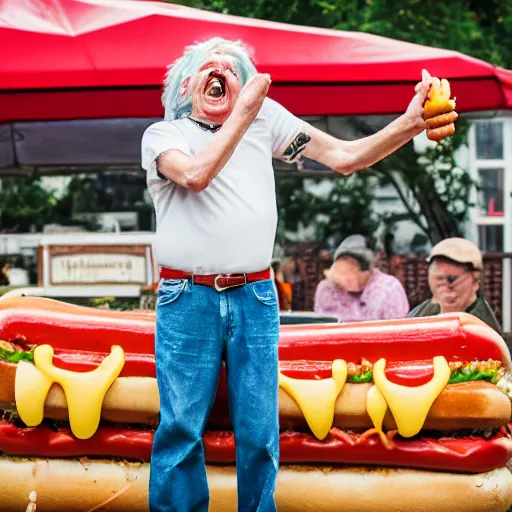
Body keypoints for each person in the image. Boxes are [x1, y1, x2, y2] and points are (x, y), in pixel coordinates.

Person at [141, 36, 437, 512]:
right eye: (206, 67)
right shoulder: (164, 134)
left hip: (255, 294)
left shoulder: (264, 120)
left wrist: (409, 123)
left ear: (245, 86)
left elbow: (345, 158)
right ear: (184, 85)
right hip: (186, 295)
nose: (219, 72)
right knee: (180, 430)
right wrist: (247, 110)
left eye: (232, 69)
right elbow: (195, 175)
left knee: (259, 431)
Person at [408, 237, 502, 333]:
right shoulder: (422, 312)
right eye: (438, 279)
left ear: (474, 279)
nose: (443, 288)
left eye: (451, 279)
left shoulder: (481, 326)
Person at [314, 235, 409, 321]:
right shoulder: (326, 289)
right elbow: (322, 325)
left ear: (367, 272)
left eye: (351, 269)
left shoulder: (389, 287)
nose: (344, 278)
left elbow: (397, 330)